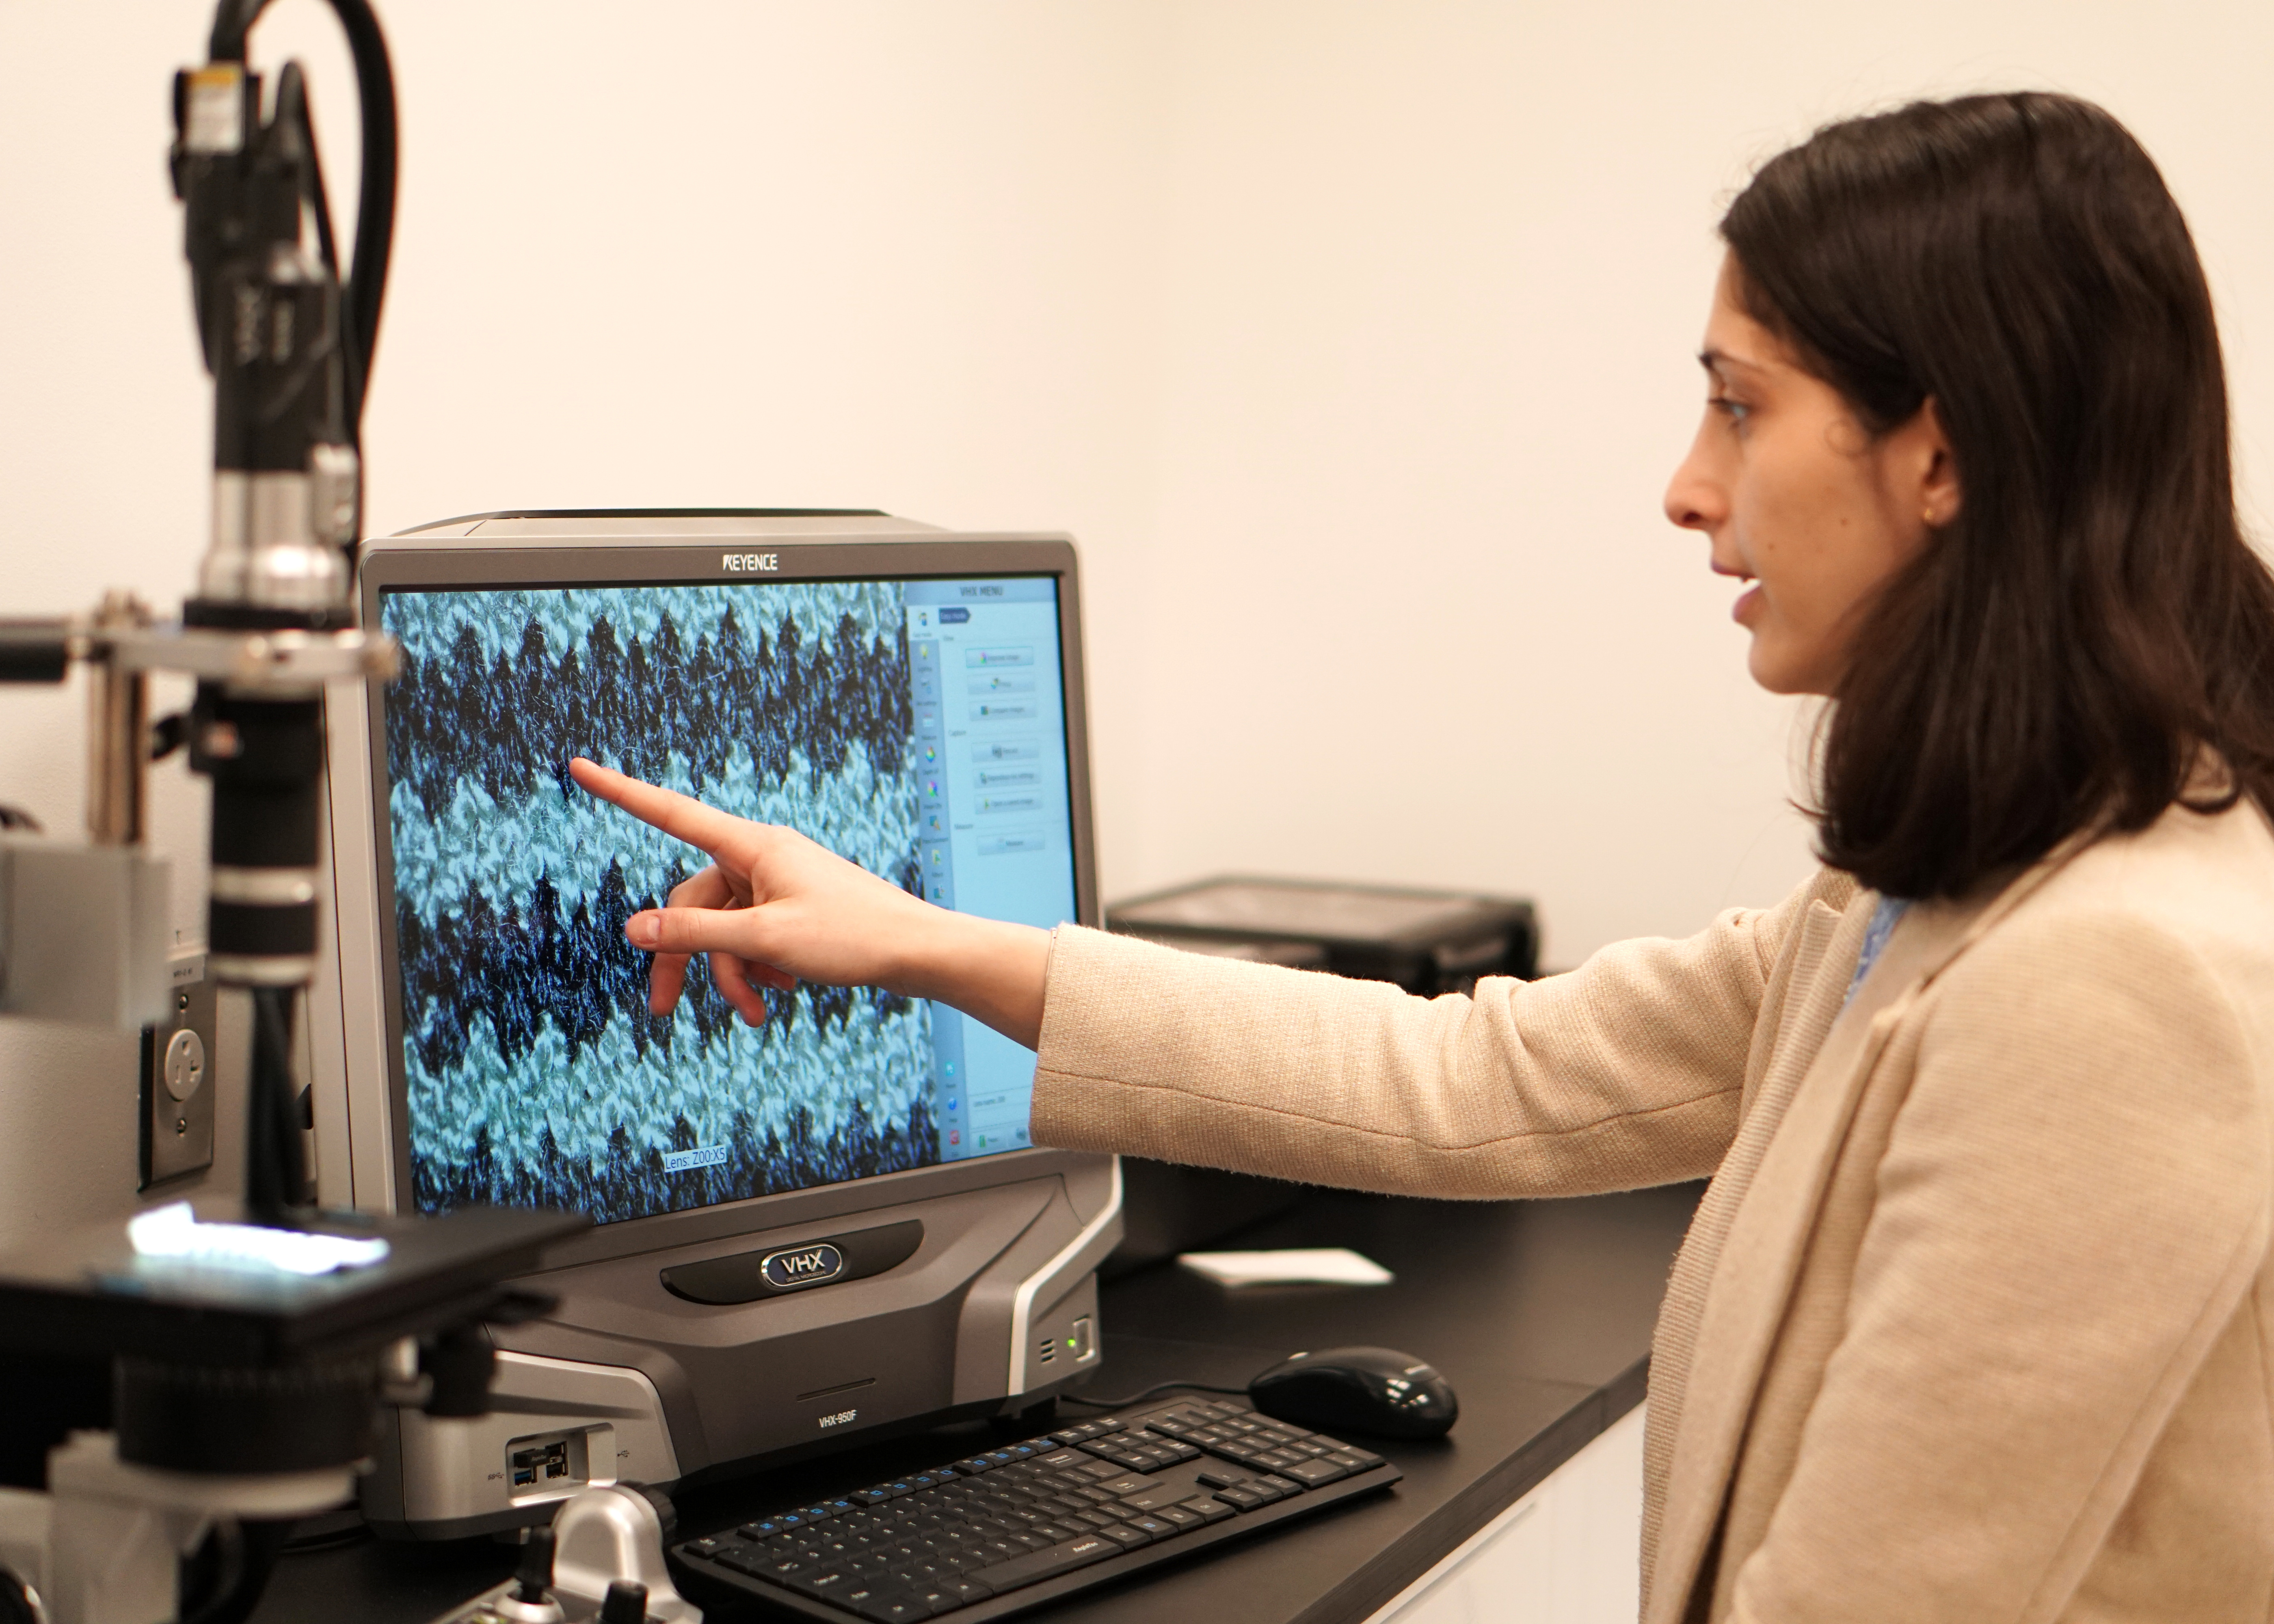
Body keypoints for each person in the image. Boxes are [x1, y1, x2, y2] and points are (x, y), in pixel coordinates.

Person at [568, 92, 2274, 1621]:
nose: (1687, 491)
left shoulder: (2111, 979)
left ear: (1943, 451)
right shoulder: (1945, 883)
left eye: (1737, 409)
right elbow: (1480, 1078)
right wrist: (919, 942)